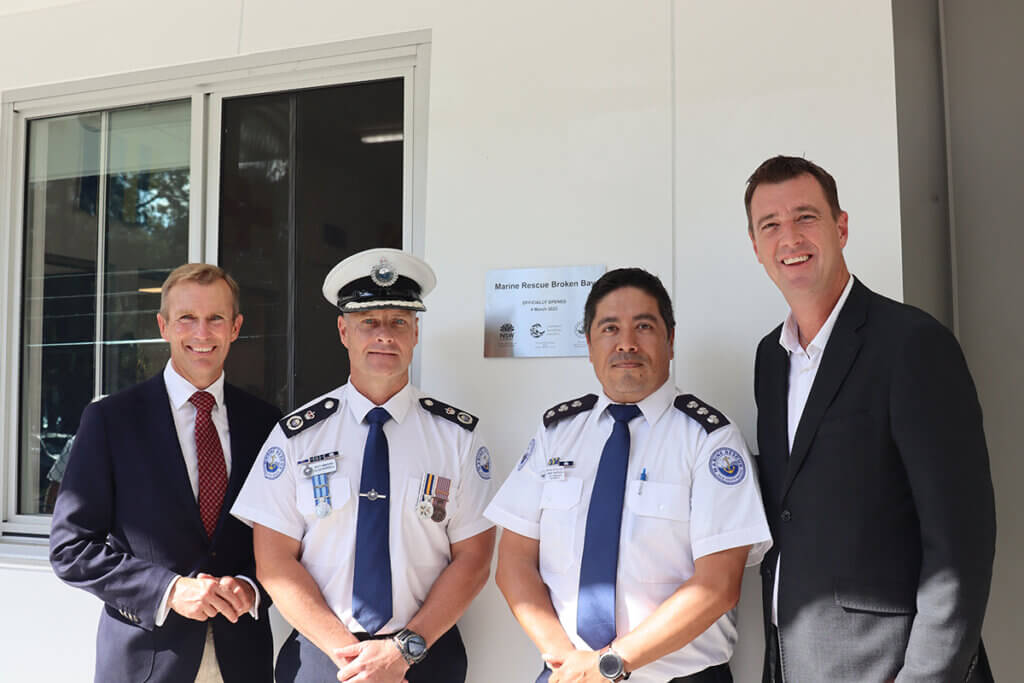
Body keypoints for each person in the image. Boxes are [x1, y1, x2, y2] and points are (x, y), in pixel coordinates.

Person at [745, 155, 997, 683]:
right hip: (794, 662)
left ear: (840, 227)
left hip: (891, 666)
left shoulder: (912, 344)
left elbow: (960, 542)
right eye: (770, 225)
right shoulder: (771, 358)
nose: (788, 237)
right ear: (756, 246)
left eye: (805, 217)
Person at [486, 267, 772, 683]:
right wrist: (566, 661)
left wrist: (609, 664)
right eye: (609, 328)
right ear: (588, 343)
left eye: (644, 326)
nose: (626, 343)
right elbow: (513, 562)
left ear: (670, 340)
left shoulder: (711, 439)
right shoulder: (556, 433)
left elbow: (719, 584)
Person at [231, 248, 495, 683]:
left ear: (415, 333)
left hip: (423, 653)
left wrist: (402, 651)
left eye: (398, 322)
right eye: (369, 322)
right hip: (323, 655)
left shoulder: (457, 438)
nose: (384, 336)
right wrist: (351, 656)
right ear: (343, 331)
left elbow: (474, 559)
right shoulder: (298, 437)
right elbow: (274, 562)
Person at [49, 263, 282, 683]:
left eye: (216, 319)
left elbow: (285, 537)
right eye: (187, 319)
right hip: (146, 661)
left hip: (243, 660)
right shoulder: (109, 421)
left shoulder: (266, 424)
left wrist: (251, 586)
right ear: (163, 326)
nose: (202, 333)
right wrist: (170, 591)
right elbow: (71, 549)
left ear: (236, 327)